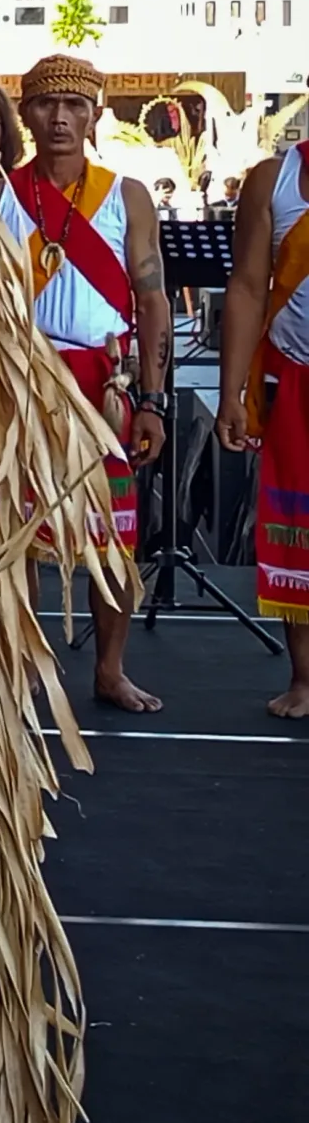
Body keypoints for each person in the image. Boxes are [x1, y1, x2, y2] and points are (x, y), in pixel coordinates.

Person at [1, 53, 169, 714]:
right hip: (24, 379)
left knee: (116, 537)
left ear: (96, 115)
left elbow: (152, 300)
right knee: (17, 534)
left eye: (75, 106)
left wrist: (151, 399)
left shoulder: (125, 194)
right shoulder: (2, 192)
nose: (61, 118)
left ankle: (109, 669)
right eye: (47, 104)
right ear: (28, 114)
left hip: (107, 383)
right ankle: (21, 668)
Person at [217, 141, 309, 718]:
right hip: (294, 380)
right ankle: (305, 678)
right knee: (298, 522)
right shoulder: (276, 178)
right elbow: (249, 287)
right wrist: (230, 393)